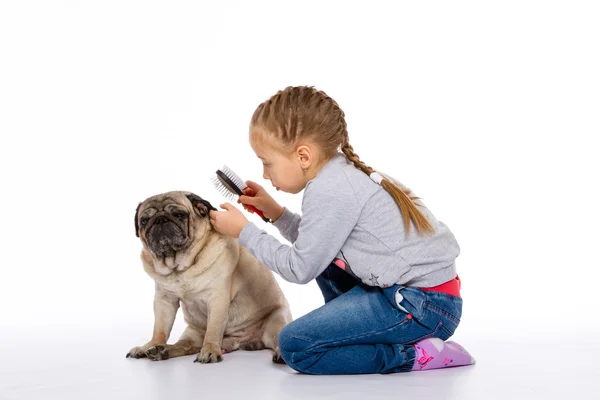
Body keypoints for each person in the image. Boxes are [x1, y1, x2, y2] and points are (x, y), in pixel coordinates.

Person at [209, 86, 475, 375]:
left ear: (303, 156)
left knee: (295, 345)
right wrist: (275, 213)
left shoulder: (330, 190)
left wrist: (244, 232)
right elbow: (316, 243)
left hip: (423, 308)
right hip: (414, 297)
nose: (264, 173)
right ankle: (352, 332)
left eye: (267, 163)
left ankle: (413, 356)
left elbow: (299, 268)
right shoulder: (339, 173)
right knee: (323, 259)